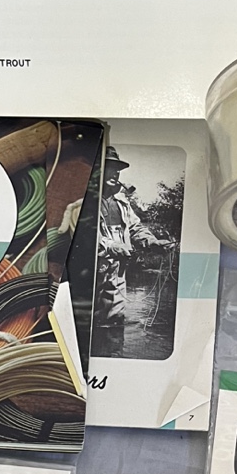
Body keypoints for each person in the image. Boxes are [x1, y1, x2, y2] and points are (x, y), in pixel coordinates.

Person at [92, 148, 160, 357]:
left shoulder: (122, 202)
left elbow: (136, 228)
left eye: (117, 170)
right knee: (90, 318)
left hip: (117, 271)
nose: (115, 174)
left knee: (116, 318)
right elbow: (85, 234)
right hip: (92, 270)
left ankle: (114, 357)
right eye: (110, 168)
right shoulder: (86, 200)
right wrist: (111, 246)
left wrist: (152, 241)